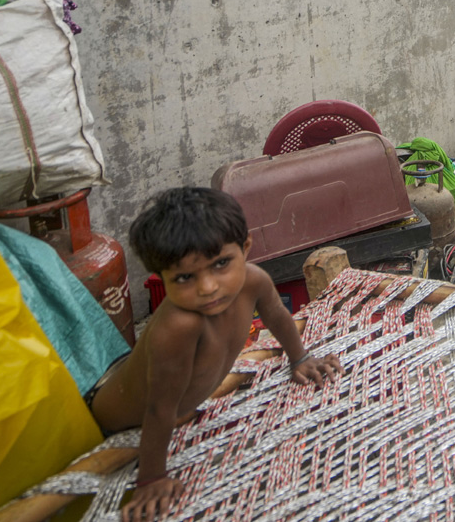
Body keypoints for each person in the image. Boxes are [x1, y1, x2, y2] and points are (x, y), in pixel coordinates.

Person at [85, 187, 343, 522]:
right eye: (185, 277)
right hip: (115, 423)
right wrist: (150, 479)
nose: (208, 287)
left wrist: (299, 358)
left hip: (166, 404)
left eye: (221, 263)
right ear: (161, 277)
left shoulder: (255, 281)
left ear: (245, 248)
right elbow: (159, 408)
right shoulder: (179, 326)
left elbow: (278, 316)